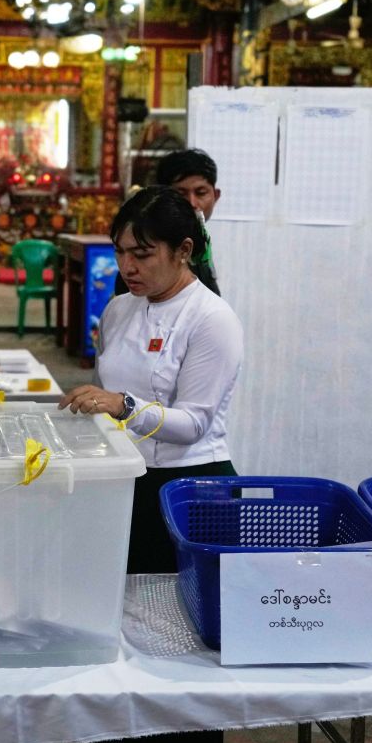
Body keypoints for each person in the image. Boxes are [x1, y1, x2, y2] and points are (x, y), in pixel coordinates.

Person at [58, 186, 243, 574]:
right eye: (120, 252)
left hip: (190, 489)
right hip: (126, 478)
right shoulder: (118, 309)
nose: (127, 267)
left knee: (181, 614)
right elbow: (100, 393)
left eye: (142, 254)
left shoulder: (211, 318)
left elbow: (193, 424)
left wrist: (124, 405)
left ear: (183, 250)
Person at [156, 148, 222, 295]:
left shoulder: (202, 243)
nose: (192, 202)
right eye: (180, 194)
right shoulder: (150, 249)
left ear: (215, 196)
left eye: (201, 193)